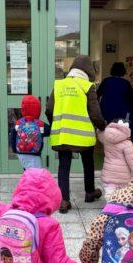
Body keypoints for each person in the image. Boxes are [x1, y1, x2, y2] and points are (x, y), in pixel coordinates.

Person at [46, 55, 107, 213]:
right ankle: (89, 192)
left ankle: (64, 201)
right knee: (88, 162)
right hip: (83, 135)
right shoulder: (87, 86)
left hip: (62, 135)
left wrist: (56, 125)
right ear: (88, 71)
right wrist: (103, 126)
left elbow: (49, 110)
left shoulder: (58, 85)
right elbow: (95, 113)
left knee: (63, 167)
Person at [97, 62, 133, 136]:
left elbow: (97, 95)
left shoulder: (106, 81)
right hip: (122, 114)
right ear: (123, 71)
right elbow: (132, 99)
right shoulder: (125, 83)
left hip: (107, 113)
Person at [99, 119, 133, 198]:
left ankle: (109, 204)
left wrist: (100, 128)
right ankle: (119, 206)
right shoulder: (127, 143)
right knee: (123, 195)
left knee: (109, 191)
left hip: (108, 172)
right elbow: (132, 161)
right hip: (123, 175)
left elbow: (99, 134)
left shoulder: (105, 138)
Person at [10, 94, 46, 170]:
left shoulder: (18, 123)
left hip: (21, 153)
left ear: (23, 109)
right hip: (35, 154)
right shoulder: (40, 124)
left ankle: (26, 181)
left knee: (27, 172)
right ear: (38, 109)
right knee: (35, 175)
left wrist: (15, 149)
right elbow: (49, 131)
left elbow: (12, 137)